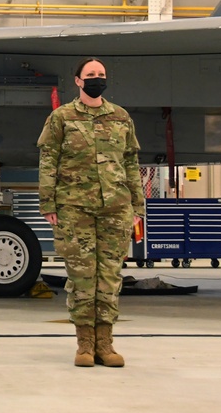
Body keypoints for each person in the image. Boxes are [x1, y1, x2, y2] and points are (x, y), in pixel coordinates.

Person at [37, 57, 145, 368]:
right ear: (78, 81)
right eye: (90, 74)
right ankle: (84, 343)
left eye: (101, 74)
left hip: (115, 209)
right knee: (82, 277)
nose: (97, 78)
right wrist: (49, 204)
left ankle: (106, 344)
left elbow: (130, 164)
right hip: (74, 209)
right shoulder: (62, 117)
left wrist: (137, 205)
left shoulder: (121, 118)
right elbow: (48, 163)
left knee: (109, 277)